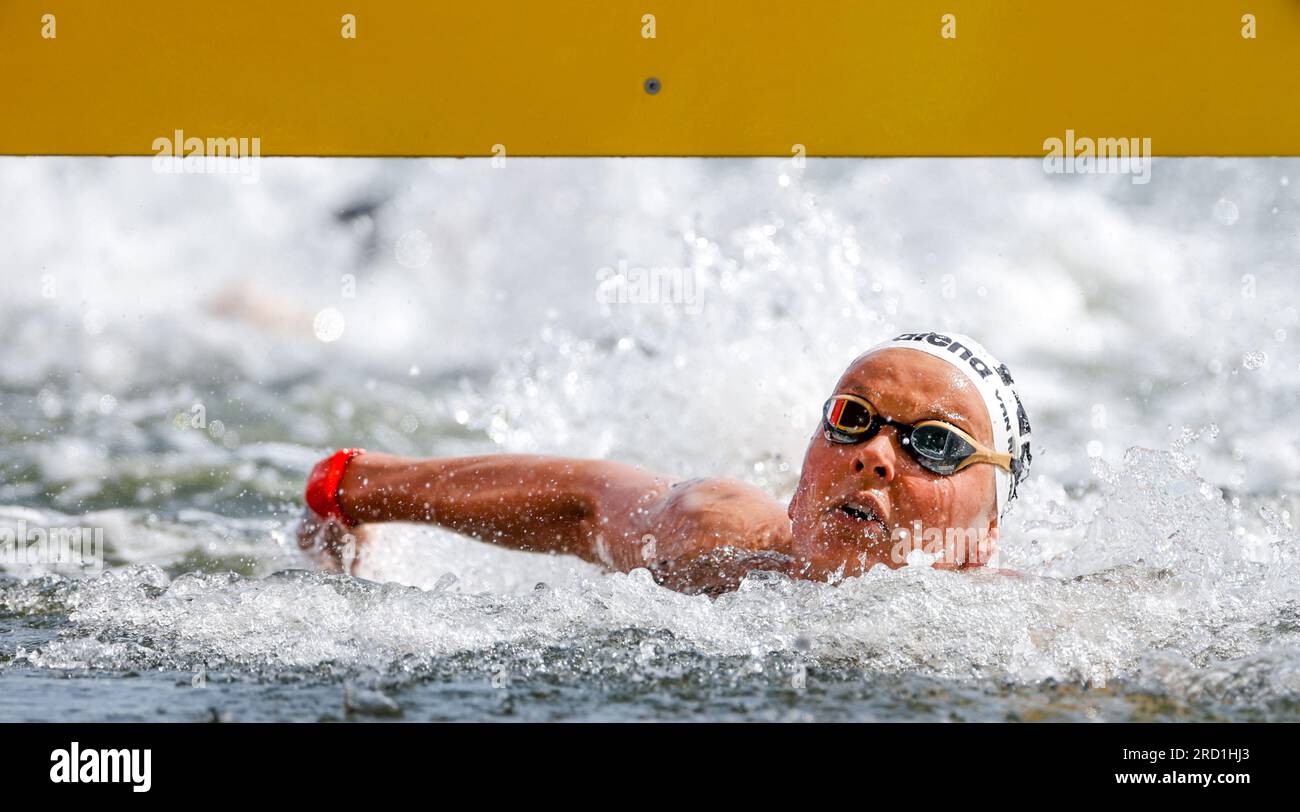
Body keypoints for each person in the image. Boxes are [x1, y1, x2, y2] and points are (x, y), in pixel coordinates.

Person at [298, 331, 1032, 594]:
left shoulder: (1031, 631)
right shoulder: (720, 544)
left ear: (990, 529)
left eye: (933, 443)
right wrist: (352, 488)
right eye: (853, 420)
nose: (873, 456)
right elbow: (584, 497)